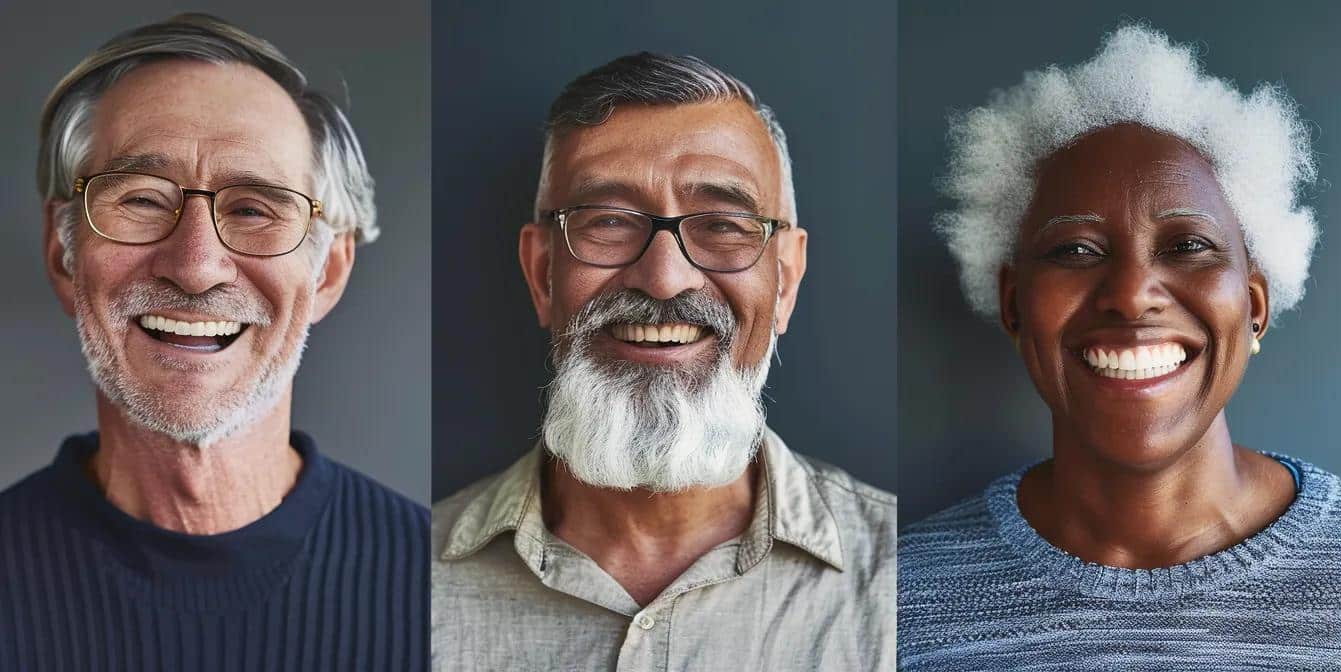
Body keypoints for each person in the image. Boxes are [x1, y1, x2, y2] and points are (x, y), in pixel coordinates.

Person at [897, 25, 1341, 670]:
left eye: (1188, 246)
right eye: (1076, 250)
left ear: (1255, 308)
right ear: (1014, 306)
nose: (1132, 294)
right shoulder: (901, 598)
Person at [430, 52, 896, 670]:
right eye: (608, 221)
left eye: (722, 225)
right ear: (543, 274)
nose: (664, 278)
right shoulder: (414, 582)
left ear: (785, 280)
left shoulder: (896, 578)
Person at [0, 13, 427, 670]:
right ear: (64, 254)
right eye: (142, 200)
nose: (196, 266)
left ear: (328, 272)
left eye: (253, 209)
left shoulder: (439, 591)